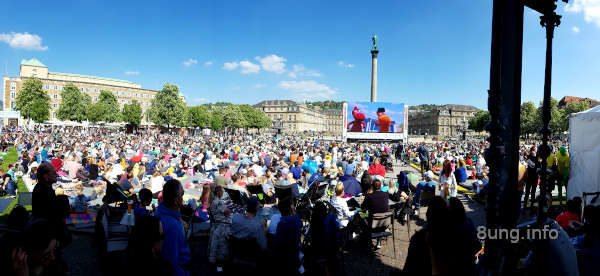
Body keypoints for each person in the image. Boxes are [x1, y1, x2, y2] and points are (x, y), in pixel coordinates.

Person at [154, 179, 191, 276]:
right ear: (176, 200)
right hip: (181, 268)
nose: (182, 199)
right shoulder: (173, 226)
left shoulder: (161, 210)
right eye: (182, 194)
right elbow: (170, 263)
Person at [208, 186, 231, 271]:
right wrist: (229, 206)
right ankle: (219, 268)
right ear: (218, 193)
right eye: (222, 191)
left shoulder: (214, 201)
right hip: (222, 226)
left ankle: (218, 266)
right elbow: (227, 212)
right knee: (221, 249)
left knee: (216, 248)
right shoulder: (218, 202)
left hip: (216, 225)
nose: (223, 193)